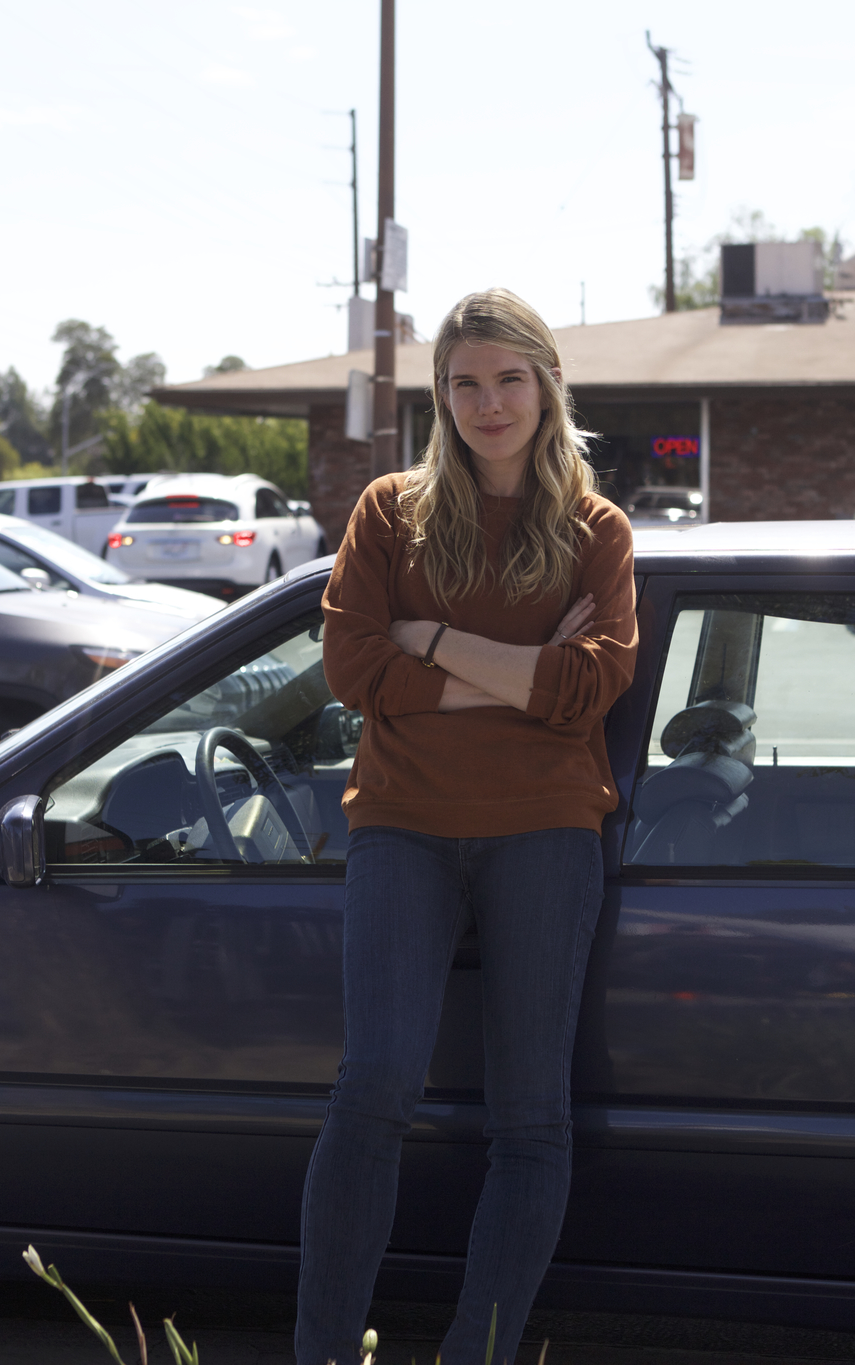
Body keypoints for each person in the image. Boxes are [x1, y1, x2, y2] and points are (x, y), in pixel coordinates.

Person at [299, 288, 638, 1365]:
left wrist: (433, 637)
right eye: (464, 384)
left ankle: (474, 1355)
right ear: (440, 399)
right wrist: (525, 675)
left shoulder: (594, 530)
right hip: (401, 825)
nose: (487, 403)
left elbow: (592, 687)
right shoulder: (388, 512)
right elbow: (352, 666)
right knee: (373, 1090)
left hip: (545, 831)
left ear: (544, 386)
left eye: (507, 379)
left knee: (529, 1120)